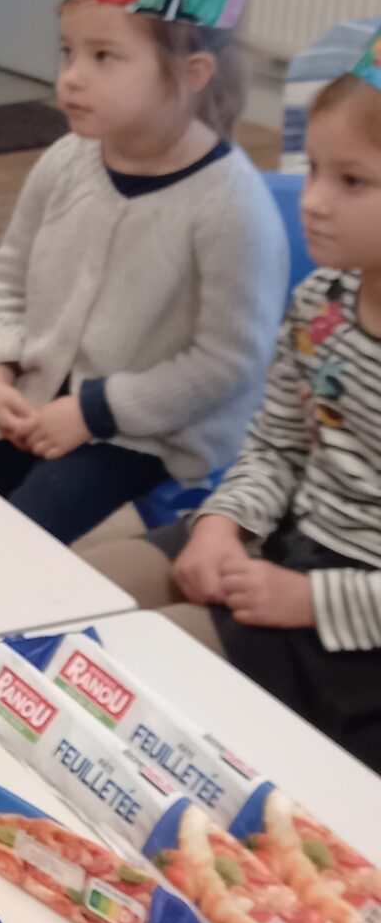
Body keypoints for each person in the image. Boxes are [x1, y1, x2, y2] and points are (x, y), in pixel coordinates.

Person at [0, 0, 299, 542]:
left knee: (16, 539)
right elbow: (8, 280)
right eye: (68, 52)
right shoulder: (66, 159)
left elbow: (227, 364)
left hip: (150, 433)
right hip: (35, 393)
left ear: (191, 73)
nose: (71, 77)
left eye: (104, 57)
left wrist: (93, 412)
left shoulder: (230, 206)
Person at [86, 45, 381, 769]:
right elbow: (276, 446)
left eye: (351, 181)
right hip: (284, 542)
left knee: (120, 675)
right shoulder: (321, 305)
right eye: (314, 169)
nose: (312, 199)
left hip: (352, 628)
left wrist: (310, 601)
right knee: (66, 593)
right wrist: (224, 523)